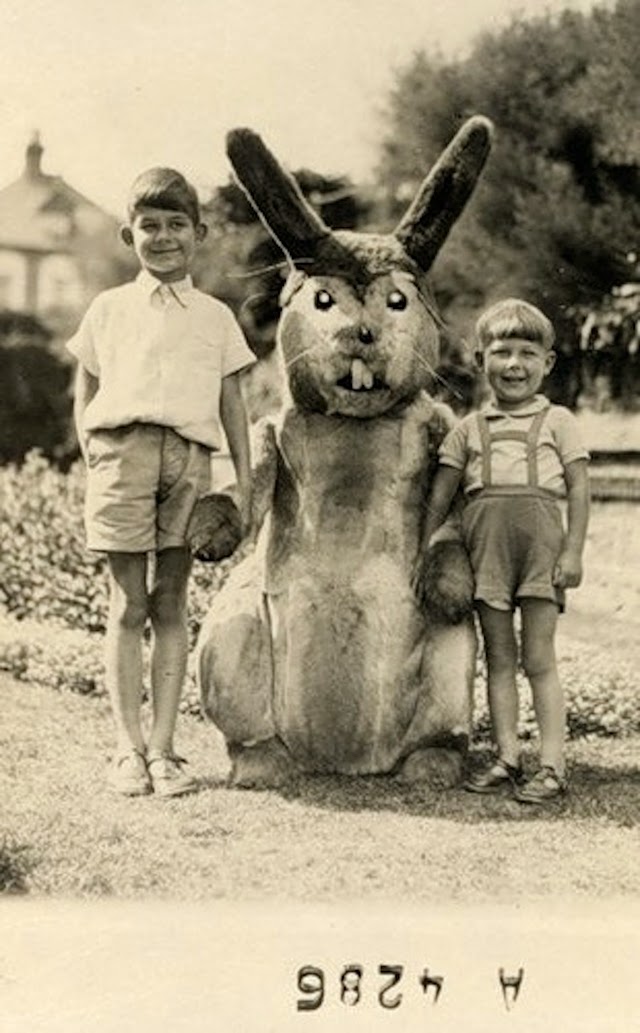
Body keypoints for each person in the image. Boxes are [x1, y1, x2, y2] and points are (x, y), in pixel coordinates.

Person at [68, 167, 255, 797]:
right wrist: (93, 454)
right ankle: (127, 750)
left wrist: (245, 481)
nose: (164, 236)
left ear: (199, 234)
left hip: (189, 462)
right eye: (150, 225)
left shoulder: (215, 317)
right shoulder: (108, 309)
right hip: (121, 454)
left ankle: (166, 751)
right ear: (130, 234)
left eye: (177, 224)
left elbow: (232, 403)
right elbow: (85, 386)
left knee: (171, 601)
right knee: (128, 604)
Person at [418, 298, 590, 803]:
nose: (514, 364)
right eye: (502, 352)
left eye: (527, 354)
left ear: (547, 363)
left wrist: (573, 553)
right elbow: (441, 493)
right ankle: (508, 756)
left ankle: (553, 764)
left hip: (541, 555)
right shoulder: (468, 429)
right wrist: (427, 545)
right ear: (480, 360)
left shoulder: (558, 421)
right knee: (498, 659)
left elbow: (579, 490)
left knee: (539, 658)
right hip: (486, 557)